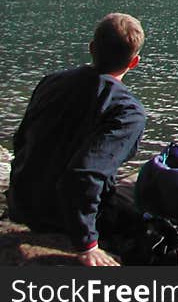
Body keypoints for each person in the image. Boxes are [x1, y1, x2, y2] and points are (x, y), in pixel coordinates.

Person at [7, 13, 146, 266]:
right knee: (151, 183)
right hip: (60, 217)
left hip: (23, 205)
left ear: (92, 48)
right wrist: (87, 244)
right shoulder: (128, 111)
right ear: (134, 62)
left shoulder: (50, 82)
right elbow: (84, 174)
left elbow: (21, 141)